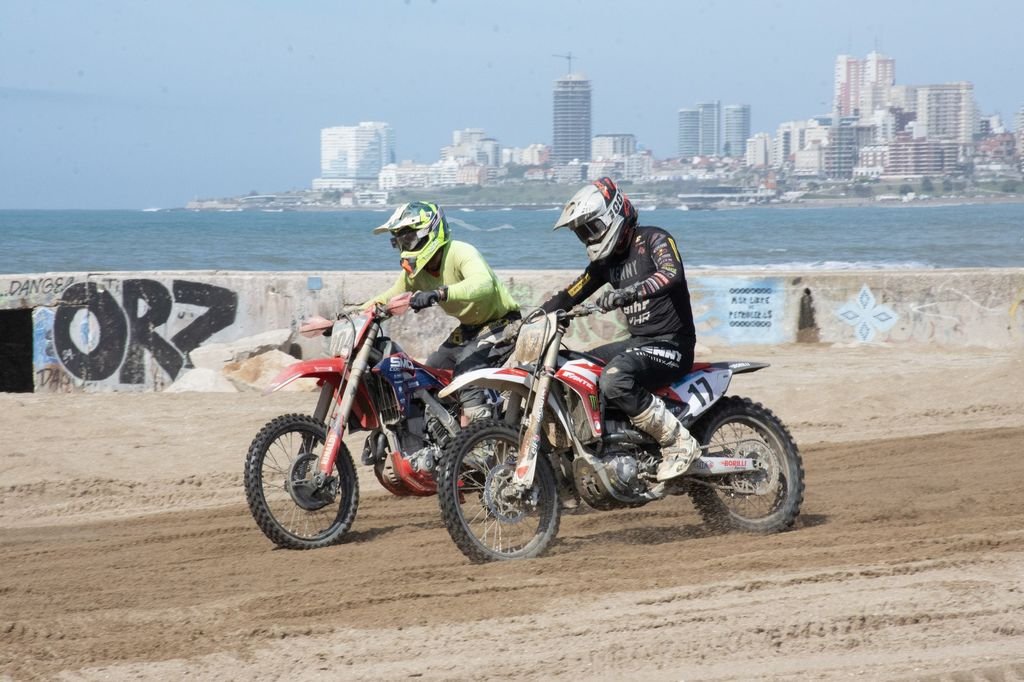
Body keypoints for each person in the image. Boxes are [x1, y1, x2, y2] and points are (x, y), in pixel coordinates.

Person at [538, 177, 701, 482]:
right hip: (639, 343)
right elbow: (570, 294)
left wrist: (630, 292)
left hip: (673, 344)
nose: (588, 238)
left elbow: (671, 274)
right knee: (573, 368)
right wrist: (527, 320)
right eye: (582, 233)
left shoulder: (654, 239)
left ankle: (678, 442)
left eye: (590, 229)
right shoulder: (606, 264)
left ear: (612, 216)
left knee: (614, 379)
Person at [366, 201, 520, 423]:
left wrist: (440, 293)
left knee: (467, 374)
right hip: (469, 329)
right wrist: (352, 314)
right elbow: (389, 296)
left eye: (408, 239)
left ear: (428, 232)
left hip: (503, 323)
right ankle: (452, 434)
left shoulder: (460, 252)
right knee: (432, 371)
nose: (404, 248)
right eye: (398, 242)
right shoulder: (416, 272)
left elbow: (483, 284)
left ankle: (482, 444)